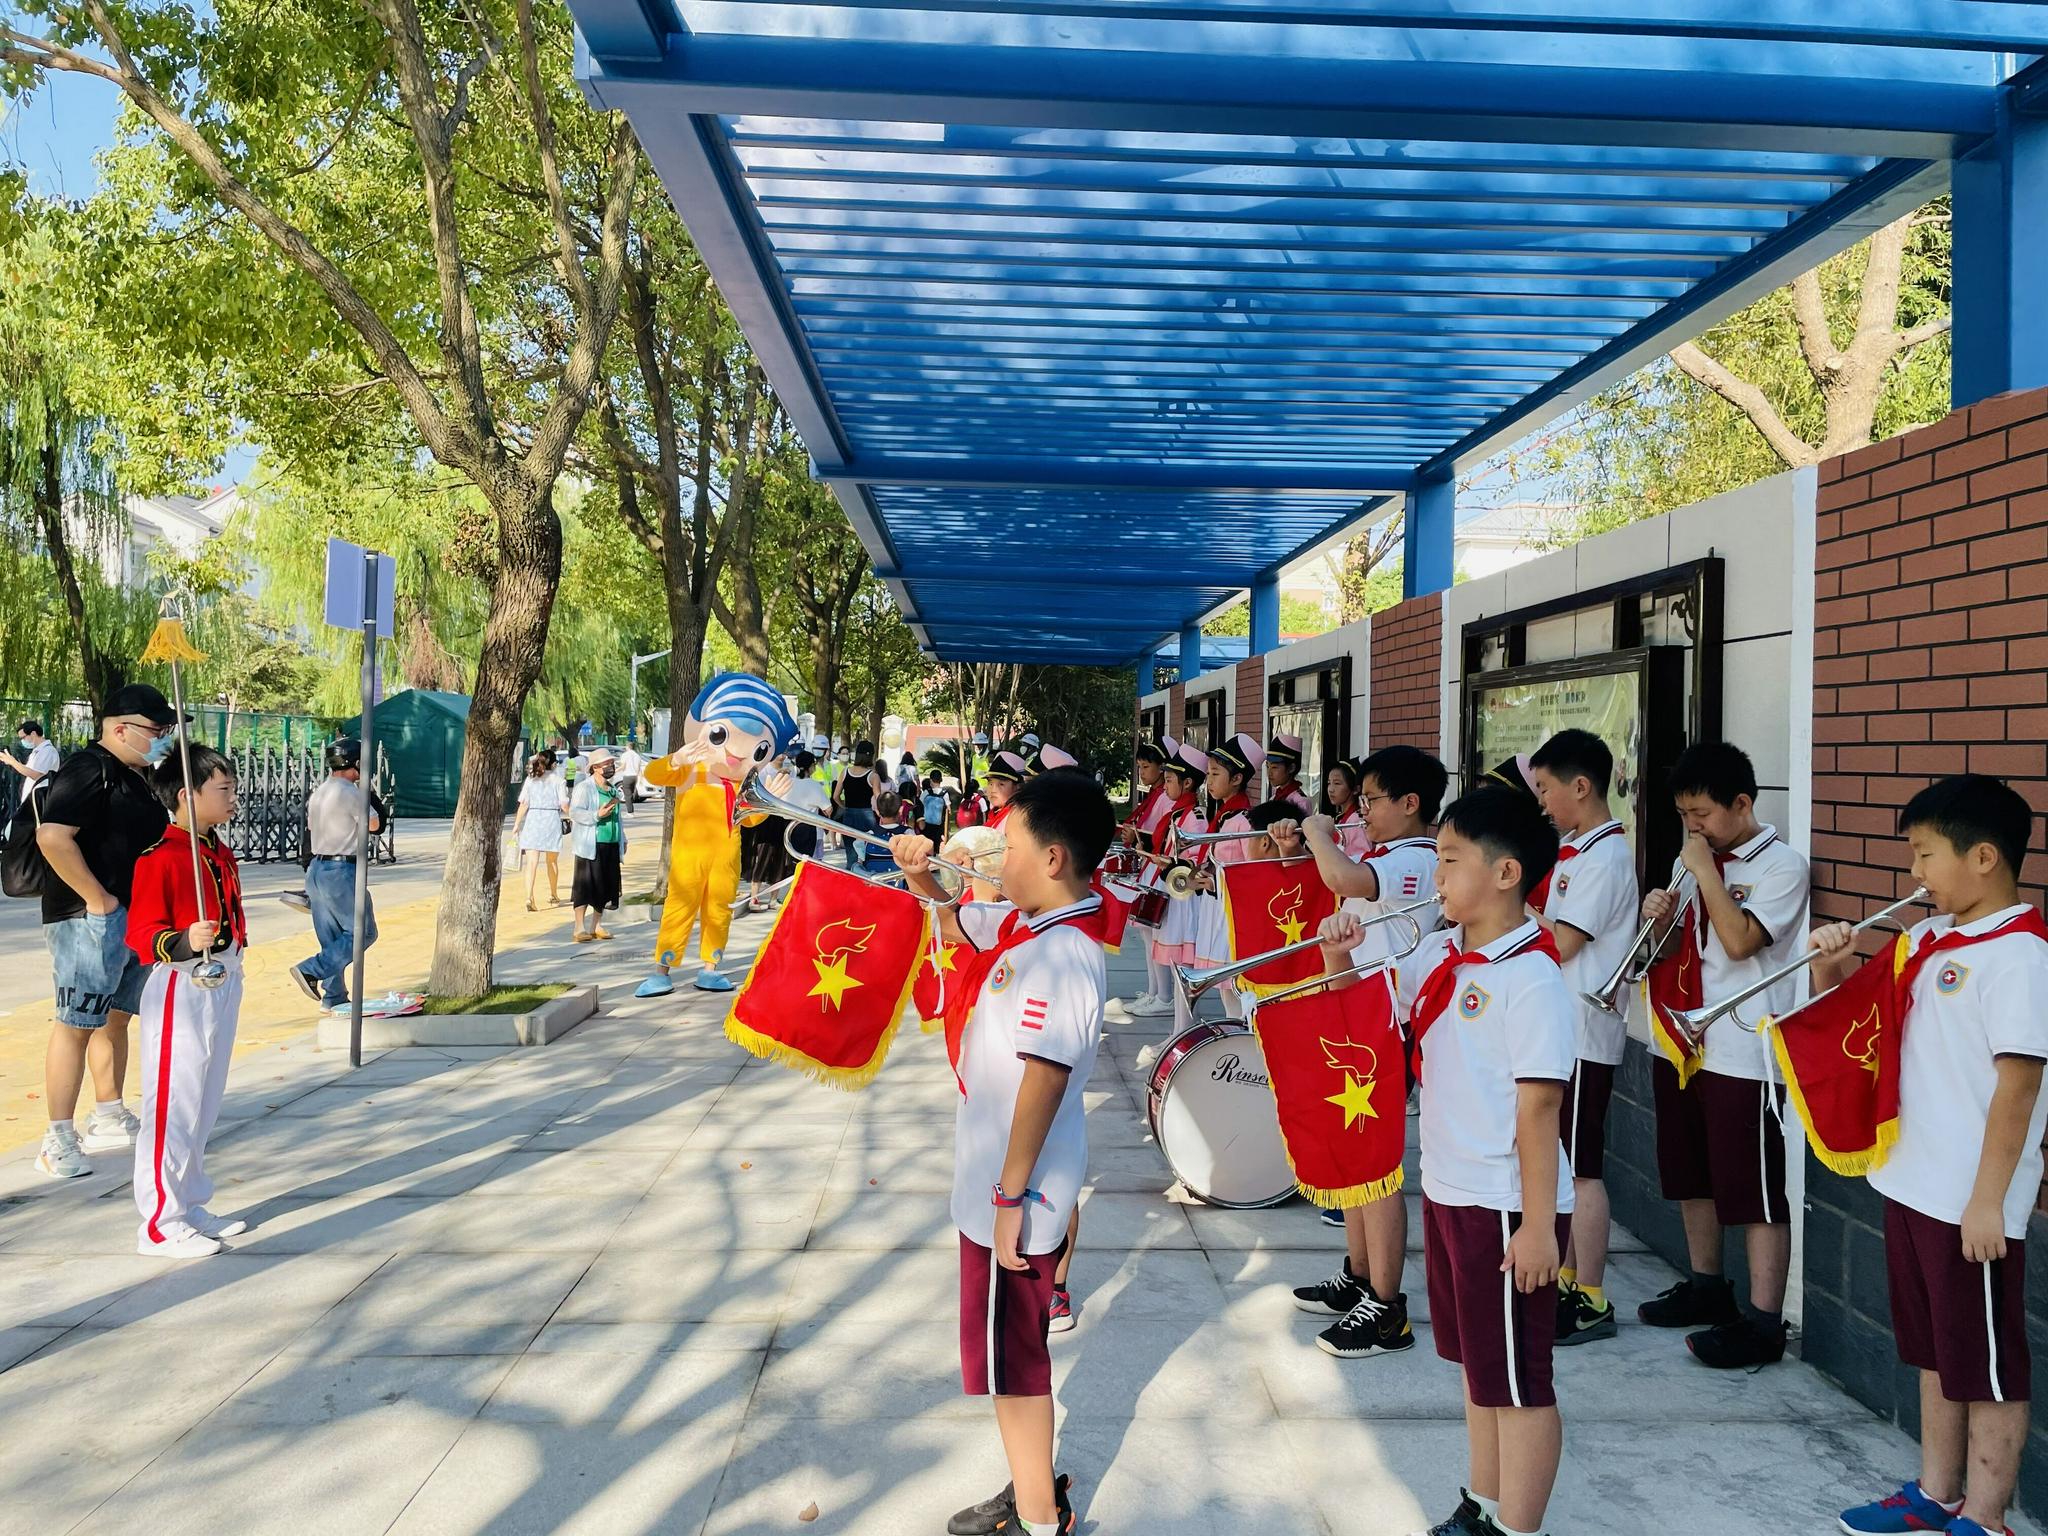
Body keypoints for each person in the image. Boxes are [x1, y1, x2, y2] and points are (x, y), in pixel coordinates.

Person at [1316, 787, 1572, 1536]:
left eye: (1451, 861)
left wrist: (1535, 1225)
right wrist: (1338, 956)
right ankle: (1485, 1503)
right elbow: (1363, 1014)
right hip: (1455, 1191)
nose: (1438, 876)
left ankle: (1519, 1528)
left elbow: (1540, 1109)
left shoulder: (1531, 978)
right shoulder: (1440, 952)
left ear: (1505, 874)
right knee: (1479, 1371)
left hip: (1504, 1206)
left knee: (1521, 1383)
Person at [887, 768, 1115, 1536]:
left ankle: (1039, 1519)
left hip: (1014, 1199)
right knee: (1008, 1362)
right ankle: (1029, 1490)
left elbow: (1044, 1080)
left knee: (1017, 1366)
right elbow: (954, 930)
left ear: (1052, 859)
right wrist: (924, 879)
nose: (993, 860)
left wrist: (1011, 1198)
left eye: (1007, 845)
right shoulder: (1031, 929)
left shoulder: (1064, 954)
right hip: (999, 1189)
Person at [1823, 776, 2048, 1536]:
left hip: (1969, 1202)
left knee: (1986, 1367)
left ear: (1984, 857)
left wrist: (1989, 1201)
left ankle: (1986, 1518)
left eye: (1925, 855)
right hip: (1914, 1184)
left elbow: (2017, 1089)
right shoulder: (1926, 941)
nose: (1915, 874)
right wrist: (1832, 964)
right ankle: (1936, 1491)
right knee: (1935, 1353)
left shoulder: (2019, 956)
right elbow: (1867, 1032)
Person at [1636, 739, 1809, 1369]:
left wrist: (1704, 868)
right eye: (1684, 816)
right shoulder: (1697, 861)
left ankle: (1764, 1321)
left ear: (1742, 803)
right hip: (1683, 1039)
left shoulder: (1780, 866)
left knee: (1753, 1188)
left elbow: (1739, 943)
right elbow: (1667, 952)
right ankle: (1708, 1285)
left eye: (1703, 813)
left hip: (1744, 1046)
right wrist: (1658, 917)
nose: (1693, 827)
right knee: (1690, 1173)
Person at [1286, 742, 1447, 1342]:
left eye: (1373, 800)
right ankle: (1358, 1275)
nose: (1363, 809)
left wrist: (1317, 830)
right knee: (1352, 1159)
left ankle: (1387, 1302)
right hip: (1360, 1014)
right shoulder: (1387, 851)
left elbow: (1342, 875)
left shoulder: (1418, 858)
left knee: (1377, 1166)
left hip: (1389, 1023)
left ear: (1410, 804)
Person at [32, 684, 176, 1179]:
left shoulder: (136, 775)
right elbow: (52, 836)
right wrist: (98, 900)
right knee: (76, 1021)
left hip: (132, 918)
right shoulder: (88, 768)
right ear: (120, 728)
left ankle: (109, 1112)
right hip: (86, 916)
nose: (163, 740)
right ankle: (57, 1137)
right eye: (156, 731)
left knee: (114, 1017)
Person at [1527, 728, 1638, 1347]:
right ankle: (1570, 1278)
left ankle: (1590, 1294)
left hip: (1585, 1032)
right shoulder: (1577, 849)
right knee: (1566, 1162)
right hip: (1563, 1026)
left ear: (1580, 786)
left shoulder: (1604, 856)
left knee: (1583, 1167)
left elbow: (1566, 943)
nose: (1542, 802)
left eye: (1546, 789)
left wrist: (1510, 918)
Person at [124, 745, 249, 1259]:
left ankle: (189, 1198)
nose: (233, 798)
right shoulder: (162, 858)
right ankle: (158, 1220)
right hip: (182, 982)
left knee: (204, 1097)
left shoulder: (216, 851)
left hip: (223, 978)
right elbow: (141, 934)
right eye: (223, 790)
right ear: (186, 796)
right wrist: (180, 939)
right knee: (174, 1102)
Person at [290, 738, 384, 1011]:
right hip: (341, 869)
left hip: (317, 868)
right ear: (356, 764)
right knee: (362, 932)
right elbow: (375, 825)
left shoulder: (319, 792)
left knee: (331, 938)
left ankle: (334, 997)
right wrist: (369, 795)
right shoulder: (350, 792)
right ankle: (310, 969)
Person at [569, 747, 624, 942]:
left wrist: (622, 839)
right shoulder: (584, 788)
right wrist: (596, 815)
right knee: (585, 886)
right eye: (606, 764)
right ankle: (579, 927)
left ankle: (596, 925)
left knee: (606, 885)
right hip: (590, 845)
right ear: (595, 767)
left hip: (610, 843)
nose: (610, 767)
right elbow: (574, 812)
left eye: (611, 763)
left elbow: (618, 818)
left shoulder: (613, 789)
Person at [512, 749, 566, 909]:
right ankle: (554, 894)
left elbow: (524, 803)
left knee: (531, 863)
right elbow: (564, 804)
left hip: (533, 820)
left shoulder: (531, 780)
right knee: (552, 861)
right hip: (551, 821)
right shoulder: (558, 781)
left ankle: (529, 897)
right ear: (554, 764)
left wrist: (516, 824)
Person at [832, 740, 883, 872]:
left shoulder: (845, 772)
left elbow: (835, 796)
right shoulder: (873, 776)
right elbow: (879, 798)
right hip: (866, 815)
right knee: (866, 852)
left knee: (851, 853)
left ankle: (850, 876)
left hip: (848, 814)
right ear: (871, 756)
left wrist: (844, 806)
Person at [2, 718, 60, 791]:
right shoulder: (36, 752)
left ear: (33, 734)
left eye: (23, 737)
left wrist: (12, 762)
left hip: (42, 797)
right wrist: (11, 761)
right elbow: (28, 770)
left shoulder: (48, 751)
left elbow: (35, 775)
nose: (22, 741)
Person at [1265, 732, 1313, 814]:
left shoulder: (1301, 802)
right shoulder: (1273, 798)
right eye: (1267, 766)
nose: (1269, 773)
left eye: (1274, 767)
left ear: (1291, 768)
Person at [614, 743, 645, 815]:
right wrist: (640, 778)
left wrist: (615, 771)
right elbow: (638, 768)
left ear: (627, 747)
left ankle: (630, 812)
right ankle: (631, 810)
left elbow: (623, 766)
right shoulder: (637, 756)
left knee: (627, 795)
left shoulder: (625, 755)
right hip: (634, 776)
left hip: (627, 775)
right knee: (631, 794)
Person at [922, 773, 950, 849]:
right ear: (941, 780)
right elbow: (948, 809)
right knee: (938, 845)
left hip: (926, 824)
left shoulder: (926, 792)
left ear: (930, 780)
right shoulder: (944, 793)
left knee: (927, 844)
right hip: (939, 825)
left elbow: (920, 804)